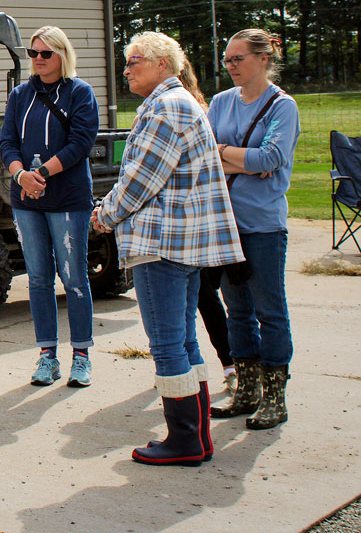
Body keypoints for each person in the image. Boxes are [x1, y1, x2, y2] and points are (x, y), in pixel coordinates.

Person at [92, 32, 243, 467]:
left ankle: (184, 440)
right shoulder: (178, 104)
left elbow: (140, 181)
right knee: (183, 341)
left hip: (162, 245)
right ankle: (196, 438)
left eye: (134, 61)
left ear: (163, 64)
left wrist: (103, 214)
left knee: (167, 346)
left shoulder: (165, 108)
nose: (126, 69)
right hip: (180, 244)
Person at [208, 28, 299, 430]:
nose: (230, 66)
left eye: (237, 59)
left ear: (264, 58)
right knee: (237, 310)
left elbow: (272, 157)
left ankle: (275, 396)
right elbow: (203, 155)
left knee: (270, 310)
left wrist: (225, 154)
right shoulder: (220, 102)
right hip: (225, 226)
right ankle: (246, 390)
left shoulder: (283, 106)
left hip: (262, 226)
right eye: (227, 60)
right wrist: (244, 161)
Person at [0, 26, 99, 388]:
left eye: (46, 53)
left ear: (62, 55)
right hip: (26, 199)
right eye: (33, 53)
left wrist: (40, 172)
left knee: (73, 278)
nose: (38, 59)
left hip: (68, 199)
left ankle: (82, 355)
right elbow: (7, 141)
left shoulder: (80, 93)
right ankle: (47, 356)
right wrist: (21, 175)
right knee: (38, 279)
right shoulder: (20, 95)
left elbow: (81, 143)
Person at [178, 62, 239, 395]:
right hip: (196, 220)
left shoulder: (196, 111)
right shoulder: (203, 107)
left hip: (207, 220)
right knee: (200, 296)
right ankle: (191, 362)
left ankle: (230, 364)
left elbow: (211, 160)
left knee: (207, 296)